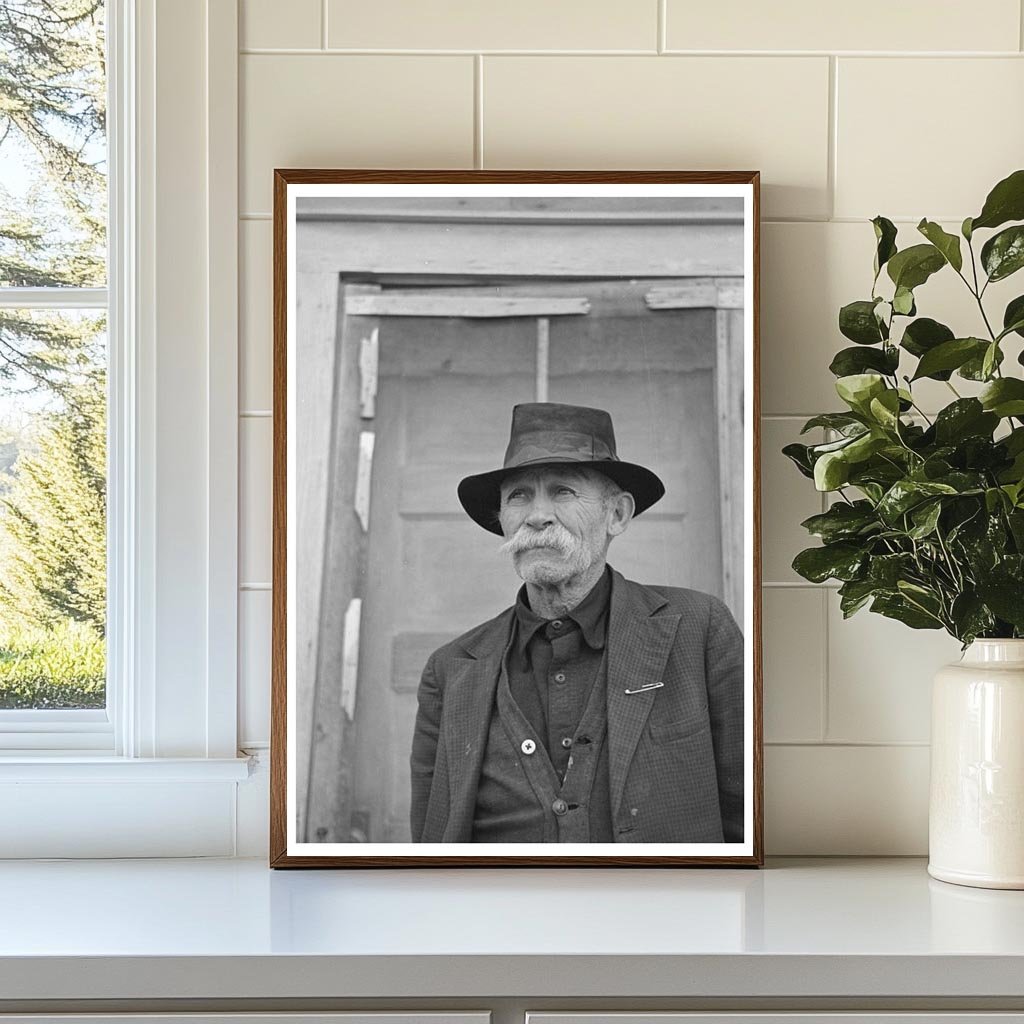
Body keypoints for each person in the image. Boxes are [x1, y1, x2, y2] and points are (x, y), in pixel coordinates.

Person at [409, 402, 744, 844]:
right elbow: (433, 843)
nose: (537, 515)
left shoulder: (699, 631)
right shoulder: (450, 670)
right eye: (519, 495)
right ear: (504, 521)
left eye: (563, 491)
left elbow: (746, 818)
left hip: (663, 907)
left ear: (617, 515)